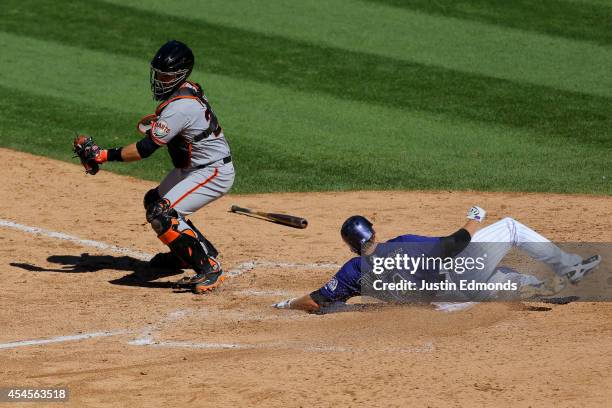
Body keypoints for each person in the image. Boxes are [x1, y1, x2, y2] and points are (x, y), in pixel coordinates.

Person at [75, 40, 234, 294]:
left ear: (180, 75)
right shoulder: (187, 90)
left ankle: (209, 268)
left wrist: (102, 155)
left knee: (162, 214)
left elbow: (144, 149)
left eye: (165, 75)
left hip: (211, 172)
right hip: (194, 167)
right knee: (154, 200)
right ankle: (185, 256)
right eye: (158, 73)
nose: (159, 80)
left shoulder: (180, 107)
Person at [273, 206, 601, 312]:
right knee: (510, 229)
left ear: (350, 246)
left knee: (501, 278)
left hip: (450, 303)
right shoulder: (404, 245)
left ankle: (543, 287)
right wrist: (475, 217)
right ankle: (566, 265)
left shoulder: (353, 271)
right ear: (373, 231)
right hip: (458, 279)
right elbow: (455, 244)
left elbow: (318, 302)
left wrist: (289, 304)